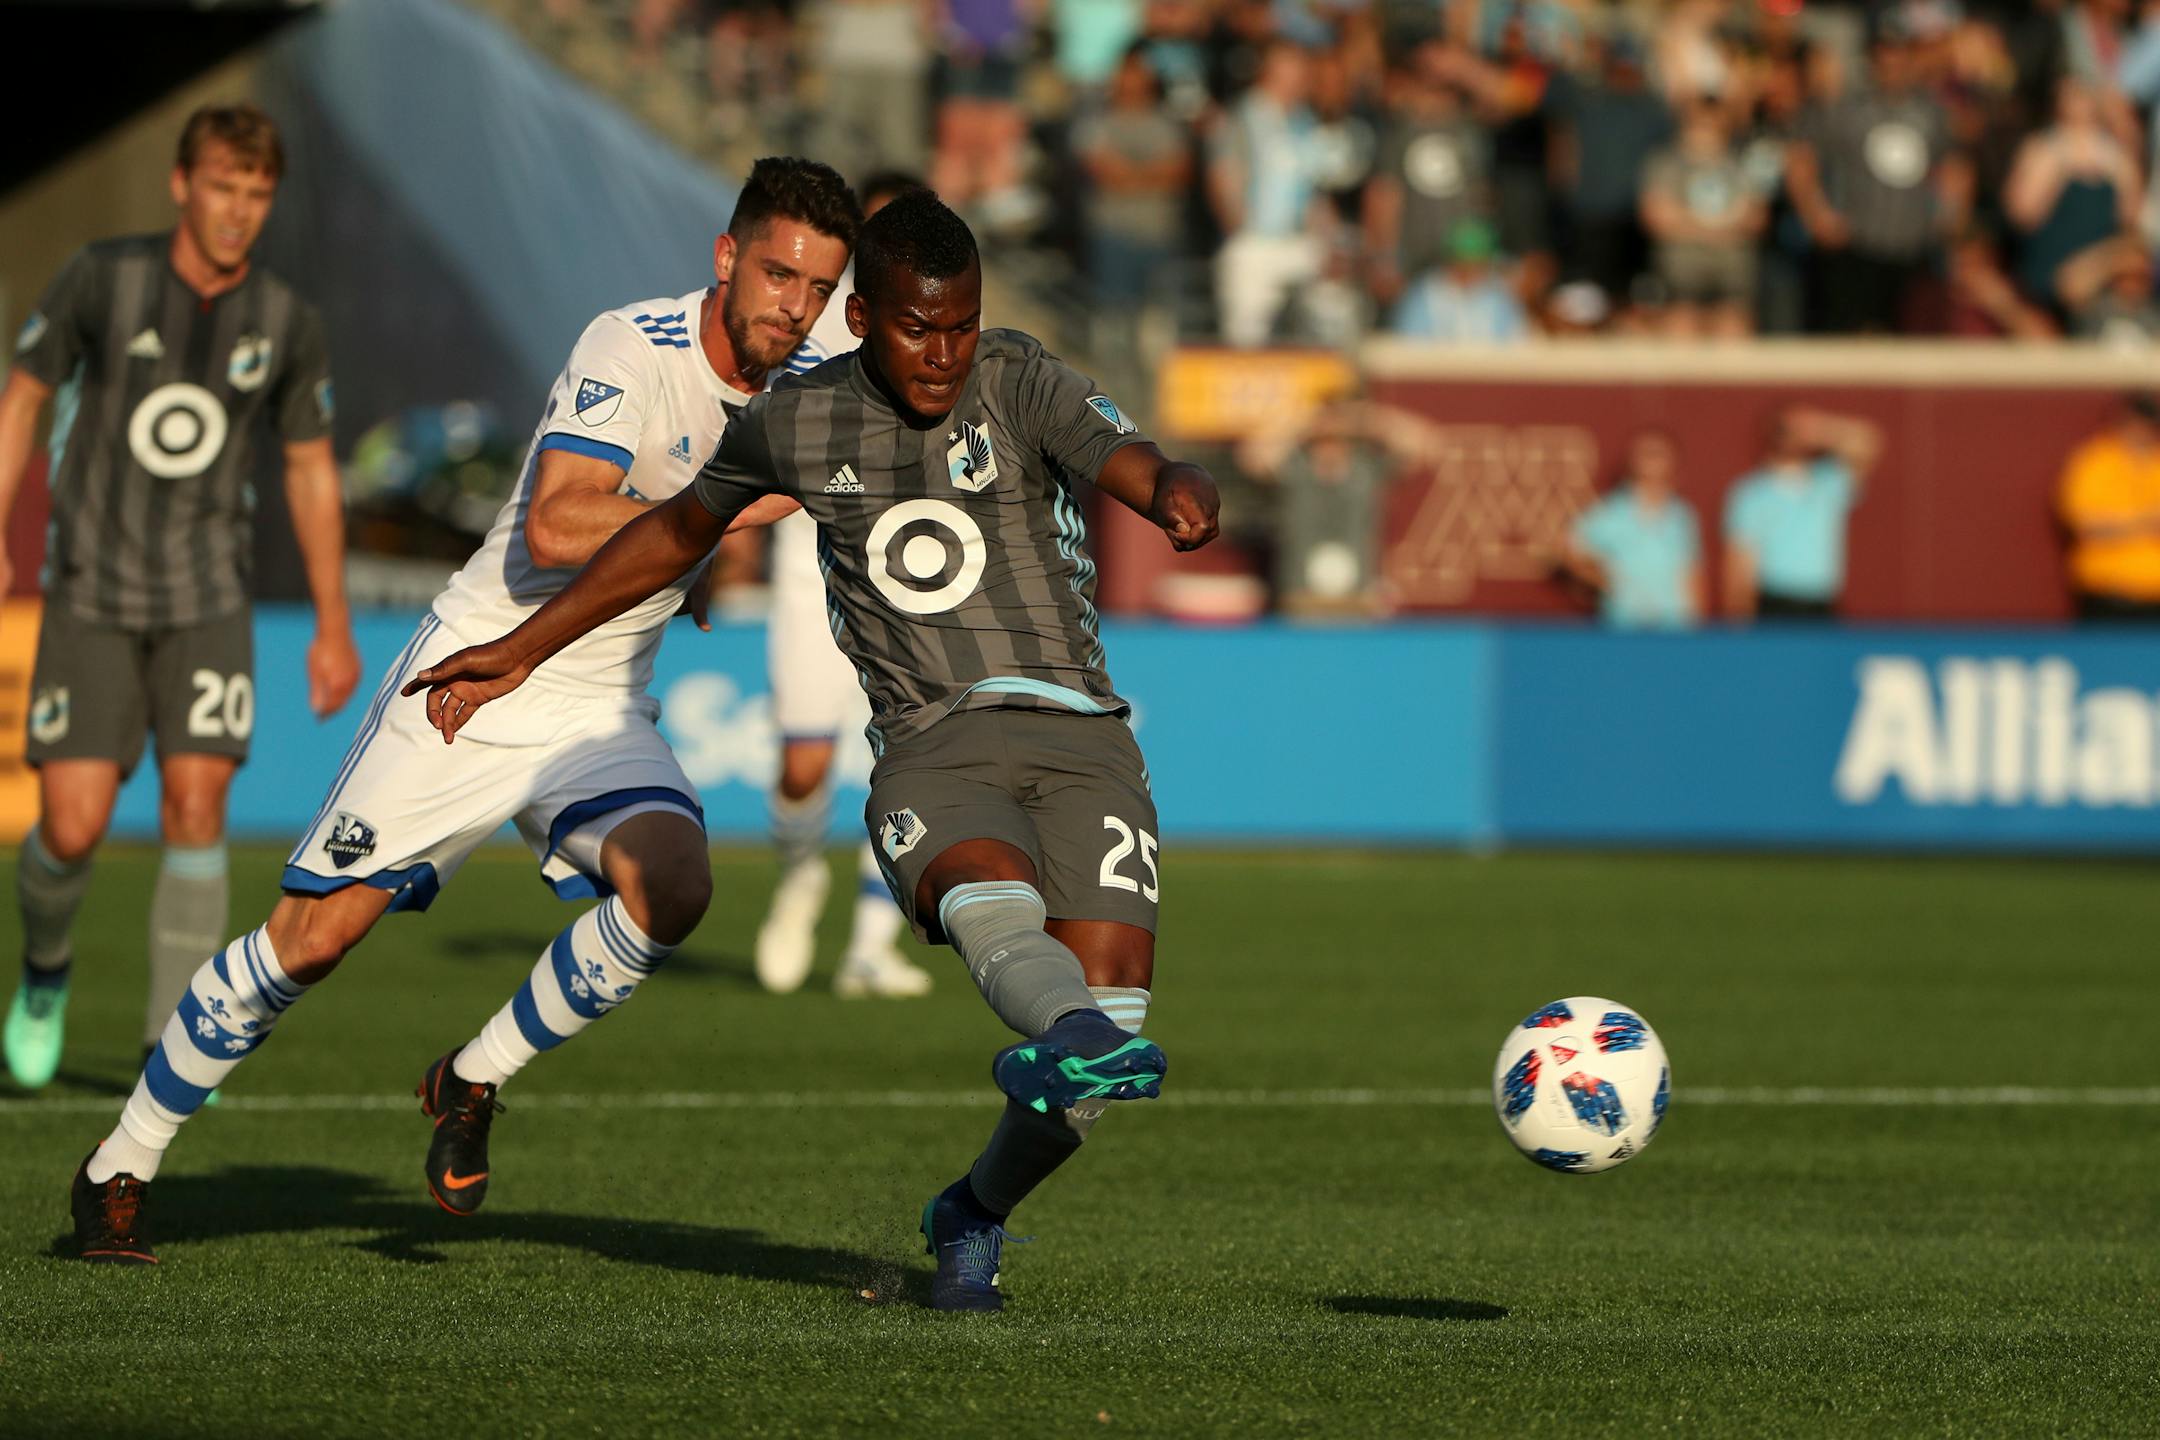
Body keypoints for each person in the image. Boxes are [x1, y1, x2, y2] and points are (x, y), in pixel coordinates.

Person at [404, 190, 1221, 1312]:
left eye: (961, 326)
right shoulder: (794, 422)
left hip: (1083, 733)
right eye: (916, 329)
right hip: (934, 747)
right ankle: (1064, 1030)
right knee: (1007, 918)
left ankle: (972, 1209)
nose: (942, 354)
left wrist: (1175, 489)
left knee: (1111, 1021)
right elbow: (667, 538)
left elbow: (1129, 455)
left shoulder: (1021, 375)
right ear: (864, 318)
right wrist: (518, 647)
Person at [64, 157, 859, 1264]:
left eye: (817, 287)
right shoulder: (632, 347)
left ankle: (473, 1078)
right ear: (726, 260)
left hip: (597, 702)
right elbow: (556, 526)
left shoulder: (817, 376)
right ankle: (122, 1161)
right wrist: (715, 516)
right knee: (311, 943)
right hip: (480, 675)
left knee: (674, 885)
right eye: (777, 274)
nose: (794, 305)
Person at [0, 105, 361, 1096]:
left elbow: (308, 470)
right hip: (91, 593)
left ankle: (169, 1044)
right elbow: (25, 396)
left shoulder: (287, 321)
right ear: (180, 185)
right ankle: (42, 976)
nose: (239, 211)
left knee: (196, 803)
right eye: (222, 188)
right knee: (70, 826)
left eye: (257, 194)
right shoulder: (100, 278)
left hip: (209, 596)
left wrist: (333, 622)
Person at [754, 171, 933, 999]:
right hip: (808, 570)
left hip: (903, 582)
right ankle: (798, 879)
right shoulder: (813, 326)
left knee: (902, 764)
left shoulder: (936, 332)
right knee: (803, 766)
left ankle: (868, 945)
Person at [1785, 22, 1971, 333]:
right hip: (1858, 248)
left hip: (1915, 248)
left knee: (1916, 338)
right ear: (1871, 63)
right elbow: (1800, 158)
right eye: (1884, 61)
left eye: (1900, 59)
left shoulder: (1932, 113)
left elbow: (1955, 167)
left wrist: (1951, 217)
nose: (1892, 69)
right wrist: (1817, 215)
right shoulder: (1846, 109)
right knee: (1856, 342)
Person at [1721, 405, 1883, 620]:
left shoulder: (1829, 482)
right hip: (1774, 603)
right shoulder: (1751, 493)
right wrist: (1739, 619)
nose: (1792, 437)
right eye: (1785, 429)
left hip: (1822, 602)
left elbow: (1869, 442)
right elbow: (1739, 565)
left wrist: (1822, 428)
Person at [1561, 430, 1705, 629]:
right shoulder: (1610, 513)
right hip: (1624, 624)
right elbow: (1569, 549)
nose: (1652, 461)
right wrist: (1606, 583)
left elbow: (1690, 575)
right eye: (1646, 453)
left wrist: (1695, 627)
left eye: (1659, 454)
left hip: (1673, 627)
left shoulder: (1681, 516)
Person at [2057, 392, 2160, 619]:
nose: (2143, 431)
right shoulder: (2095, 462)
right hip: (2109, 595)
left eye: (2150, 424)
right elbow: (2088, 527)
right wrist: (2145, 522)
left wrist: (2121, 524)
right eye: (2137, 423)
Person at [1387, 217, 1530, 341]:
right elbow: (1407, 346)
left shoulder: (1500, 298)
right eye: (1462, 266)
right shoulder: (1422, 296)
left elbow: (1517, 344)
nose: (1470, 274)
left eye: (1477, 265)